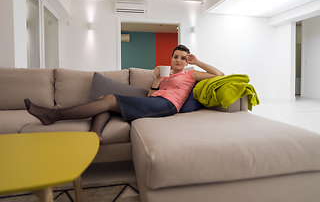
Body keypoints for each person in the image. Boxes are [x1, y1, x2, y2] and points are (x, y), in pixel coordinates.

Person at [24, 45, 224, 143]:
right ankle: (95, 134)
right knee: (104, 100)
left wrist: (197, 61)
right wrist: (156, 78)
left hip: (168, 106)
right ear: (171, 59)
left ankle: (52, 115)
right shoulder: (166, 75)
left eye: (182, 58)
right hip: (155, 102)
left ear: (186, 61)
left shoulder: (191, 74)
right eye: (175, 57)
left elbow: (220, 75)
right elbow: (149, 96)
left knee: (110, 99)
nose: (178, 60)